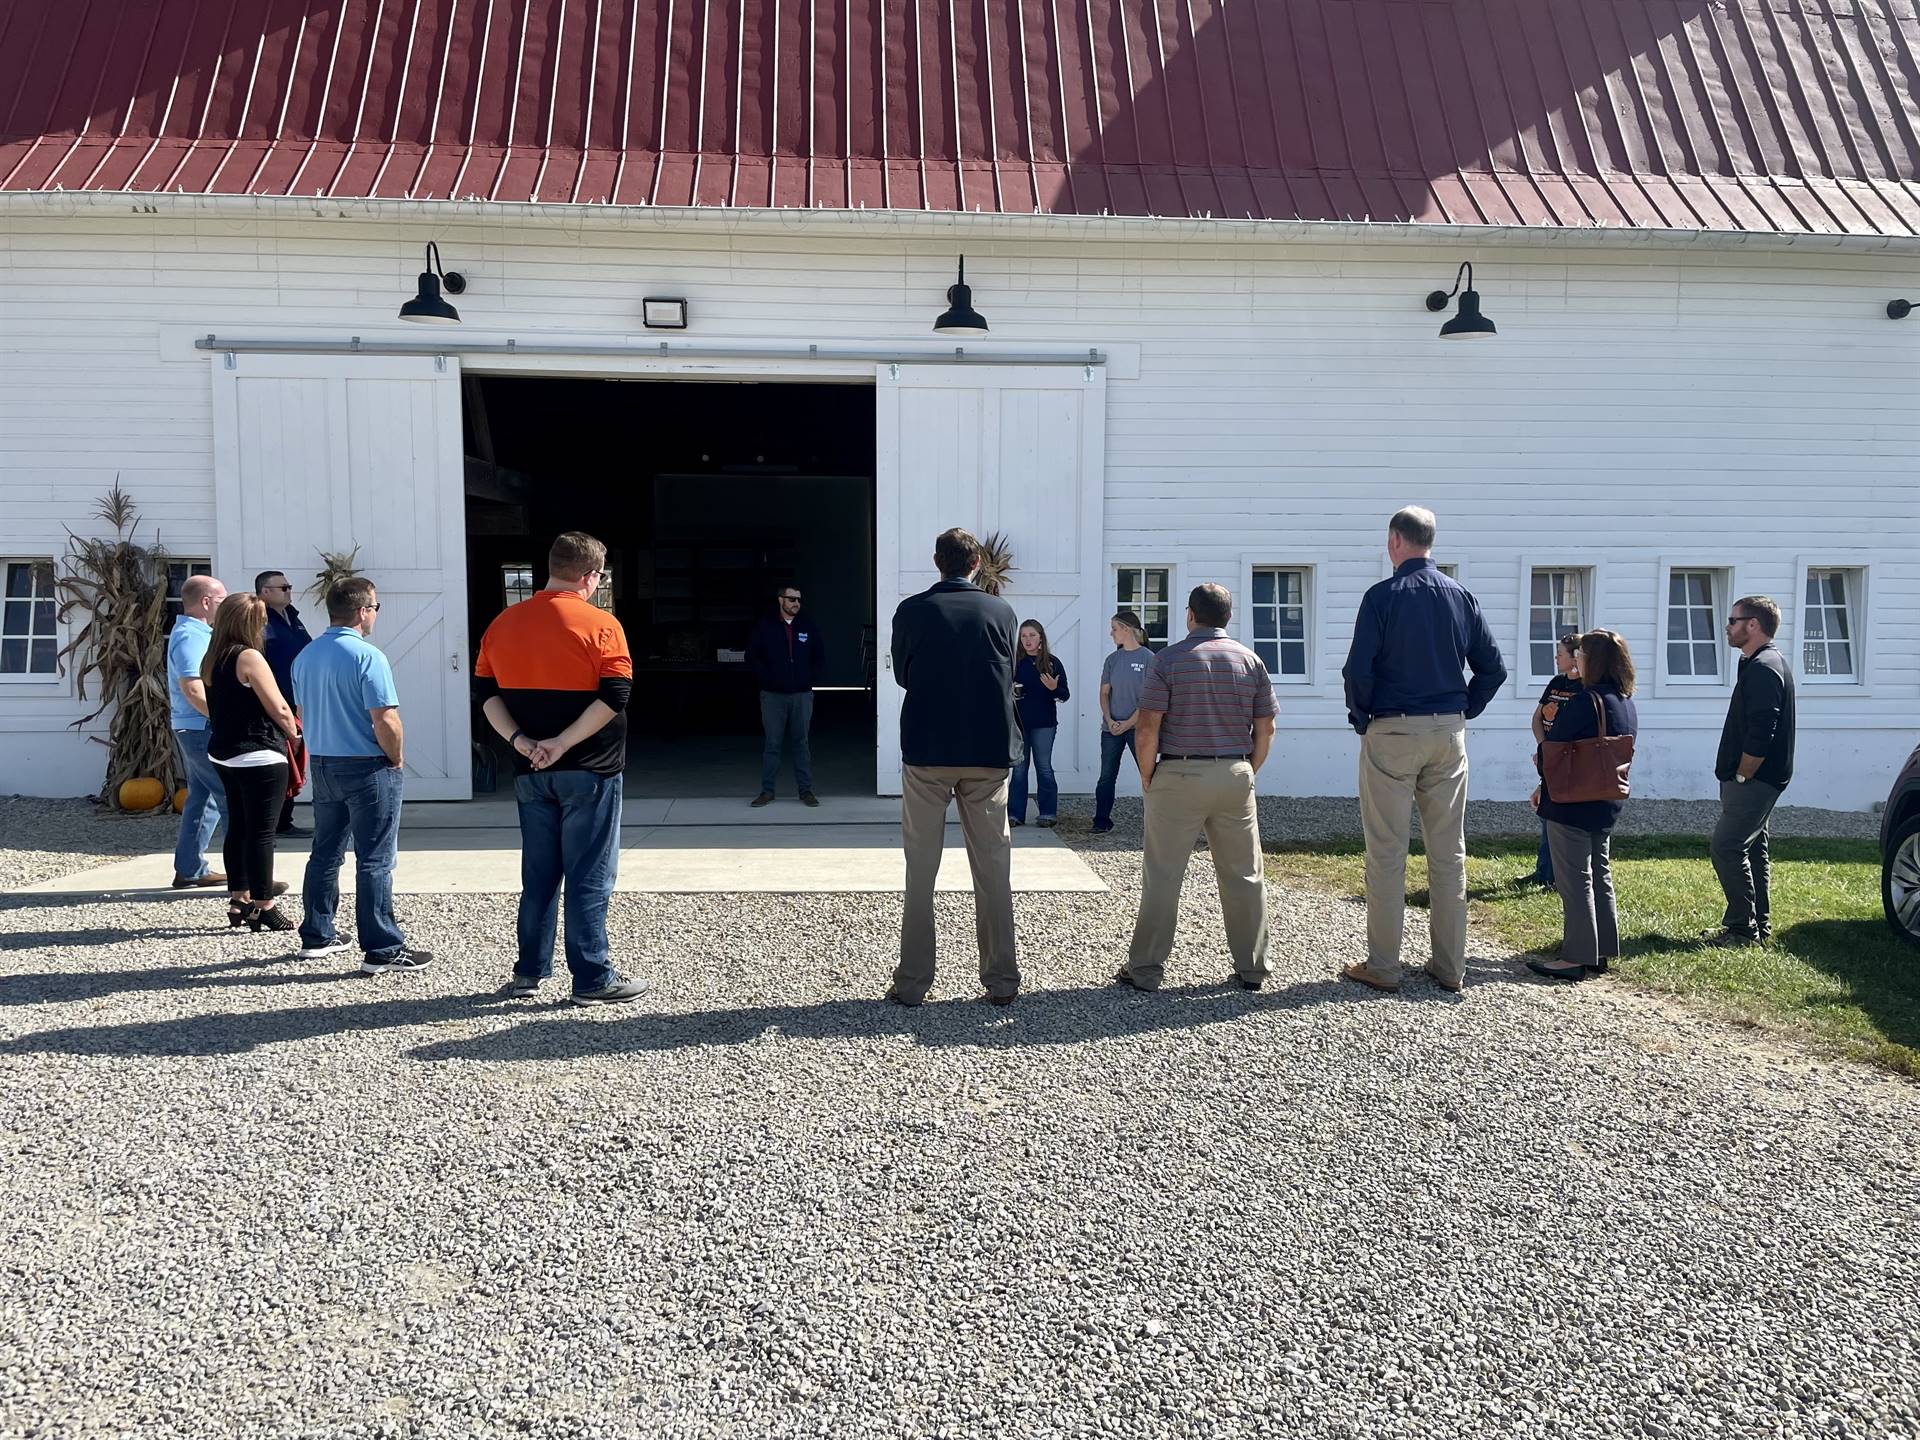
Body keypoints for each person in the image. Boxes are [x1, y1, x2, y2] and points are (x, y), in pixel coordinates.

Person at [475, 532, 648, 1005]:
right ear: (591, 576)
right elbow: (615, 697)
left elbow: (486, 695)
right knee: (589, 873)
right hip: (590, 770)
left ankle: (529, 970)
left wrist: (522, 741)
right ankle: (592, 977)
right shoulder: (602, 625)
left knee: (540, 874)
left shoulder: (503, 623)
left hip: (531, 770)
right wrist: (561, 742)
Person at [1340, 507, 1507, 994]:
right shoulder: (1461, 596)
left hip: (1392, 729)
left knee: (1387, 850)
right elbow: (1493, 668)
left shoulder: (1382, 596)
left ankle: (1384, 965)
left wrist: (1362, 717)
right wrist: (1465, 709)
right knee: (1448, 851)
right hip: (1447, 731)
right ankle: (1450, 965)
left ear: (1395, 540)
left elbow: (1358, 671)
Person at [1115, 584, 1276, 992]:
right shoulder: (1250, 660)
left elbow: (1148, 725)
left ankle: (1148, 969)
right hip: (1234, 772)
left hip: (1179, 772)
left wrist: (1148, 774)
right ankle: (1253, 966)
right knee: (1244, 874)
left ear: (1190, 615)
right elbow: (1266, 727)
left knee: (1164, 874)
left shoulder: (1169, 660)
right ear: (1228, 616)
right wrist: (1248, 769)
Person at [887, 527, 1021, 1008]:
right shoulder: (1001, 611)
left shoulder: (912, 610)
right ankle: (1002, 979)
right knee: (993, 868)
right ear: (977, 565)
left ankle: (913, 983)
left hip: (927, 750)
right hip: (987, 751)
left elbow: (903, 673)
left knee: (921, 870)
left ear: (936, 561)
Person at [292, 577, 434, 975]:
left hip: (323, 761)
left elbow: (304, 709)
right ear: (362, 610)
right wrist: (398, 758)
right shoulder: (367, 656)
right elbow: (385, 716)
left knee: (326, 851)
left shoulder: (306, 655)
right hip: (366, 764)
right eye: (374, 608)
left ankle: (317, 934)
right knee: (375, 859)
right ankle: (382, 948)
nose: (374, 615)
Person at [1527, 630, 1638, 982]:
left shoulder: (1584, 701)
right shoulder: (1624, 699)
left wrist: (1542, 771)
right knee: (1599, 874)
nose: (1576, 661)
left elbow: (1556, 748)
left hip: (1572, 801)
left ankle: (1575, 957)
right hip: (1606, 799)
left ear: (1595, 661)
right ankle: (1601, 950)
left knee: (1574, 879)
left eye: (1582, 656)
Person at [202, 593, 302, 932]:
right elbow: (279, 707)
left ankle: (239, 899)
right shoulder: (249, 657)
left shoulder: (212, 656)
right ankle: (264, 905)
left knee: (239, 827)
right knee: (262, 832)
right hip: (257, 752)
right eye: (260, 621)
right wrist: (295, 734)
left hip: (223, 752)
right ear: (250, 623)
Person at [1706, 595, 1796, 946]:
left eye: (1733, 620)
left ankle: (1741, 929)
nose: (1727, 627)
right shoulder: (1758, 662)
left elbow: (1763, 729)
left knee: (1726, 847)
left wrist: (1743, 773)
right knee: (1753, 848)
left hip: (1755, 779)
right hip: (1758, 778)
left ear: (1752, 625)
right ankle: (1758, 927)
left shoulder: (1763, 667)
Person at [168, 574, 230, 889]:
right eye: (222, 599)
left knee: (202, 798)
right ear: (206, 602)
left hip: (193, 727)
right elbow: (192, 688)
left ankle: (190, 867)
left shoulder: (195, 633)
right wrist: (223, 719)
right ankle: (248, 876)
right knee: (232, 796)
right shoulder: (192, 636)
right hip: (200, 727)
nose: (226, 604)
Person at [746, 583, 824, 807]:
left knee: (802, 743)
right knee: (772, 744)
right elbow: (753, 657)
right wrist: (767, 680)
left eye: (799, 600)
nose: (796, 604)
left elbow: (819, 657)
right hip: (773, 696)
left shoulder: (807, 627)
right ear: (781, 600)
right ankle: (767, 791)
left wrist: (809, 679)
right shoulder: (765, 627)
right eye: (791, 599)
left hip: (801, 695)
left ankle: (806, 791)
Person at [256, 569, 313, 837]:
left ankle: (284, 820)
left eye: (289, 587)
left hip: (297, 699)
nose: (289, 591)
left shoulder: (293, 617)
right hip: (273, 701)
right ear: (265, 592)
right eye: (283, 587)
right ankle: (274, 823)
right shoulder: (258, 620)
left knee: (294, 759)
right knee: (279, 760)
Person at [1524, 634, 1584, 887]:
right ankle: (1544, 872)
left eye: (1560, 653)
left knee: (1559, 819)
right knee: (1545, 813)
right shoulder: (1556, 682)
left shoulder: (1585, 688)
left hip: (1569, 761)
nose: (1555, 657)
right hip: (1549, 757)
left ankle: (1557, 877)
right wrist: (1543, 746)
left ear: (1575, 658)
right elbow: (1537, 718)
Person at [1092, 610, 1151, 835]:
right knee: (1106, 776)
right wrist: (1110, 720)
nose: (1111, 633)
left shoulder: (1148, 659)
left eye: (1114, 629)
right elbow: (1104, 693)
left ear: (1126, 630)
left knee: (1148, 775)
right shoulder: (1112, 660)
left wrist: (1127, 724)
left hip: (1139, 728)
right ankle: (1101, 820)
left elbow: (1147, 700)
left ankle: (1154, 822)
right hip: (1111, 729)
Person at [1009, 619, 1070, 828]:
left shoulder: (1052, 663)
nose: (1027, 640)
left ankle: (1048, 813)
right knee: (1018, 769)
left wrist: (1054, 687)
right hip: (1018, 724)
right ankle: (1015, 814)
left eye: (1032, 635)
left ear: (1041, 637)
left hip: (1044, 724)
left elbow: (1065, 694)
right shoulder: (1015, 663)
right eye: (1023, 636)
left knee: (1044, 768)